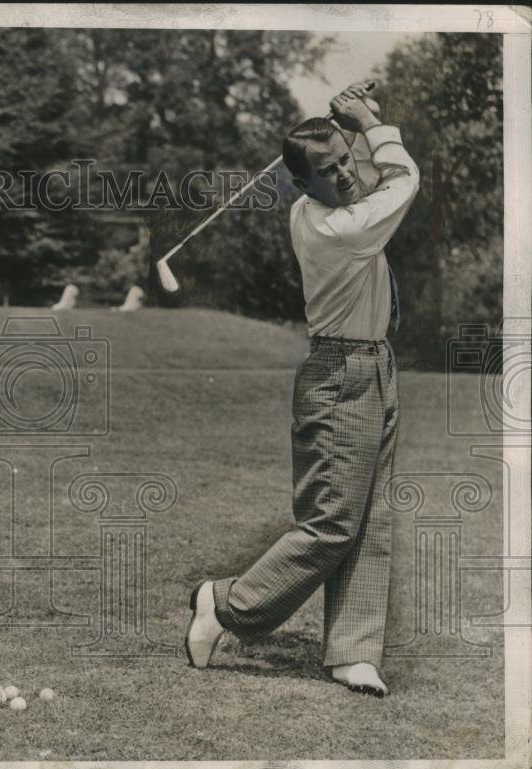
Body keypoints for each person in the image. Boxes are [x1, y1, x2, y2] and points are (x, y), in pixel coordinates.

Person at [186, 82, 419, 697]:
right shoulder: (335, 230)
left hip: (375, 365)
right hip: (340, 375)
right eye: (328, 170)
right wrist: (369, 122)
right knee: (331, 524)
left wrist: (360, 123)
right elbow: (402, 181)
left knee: (371, 518)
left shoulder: (333, 206)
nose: (345, 174)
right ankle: (225, 605)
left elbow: (374, 180)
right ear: (301, 185)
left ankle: (352, 652)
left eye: (346, 159)